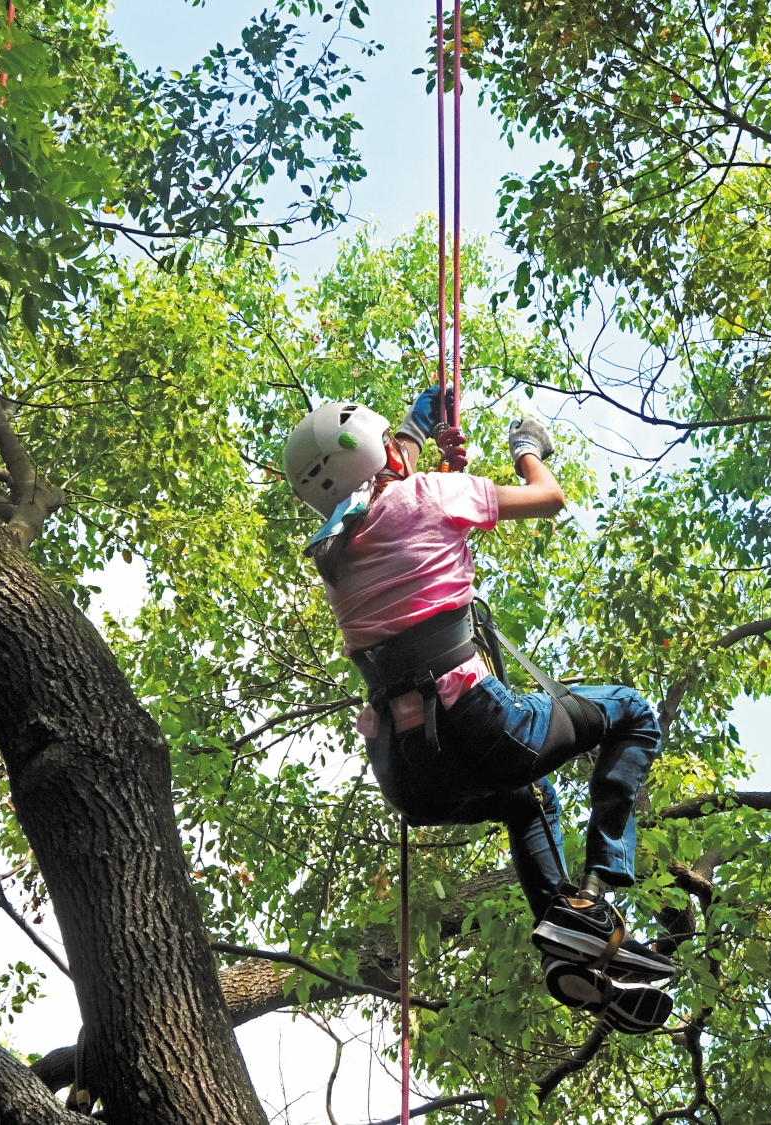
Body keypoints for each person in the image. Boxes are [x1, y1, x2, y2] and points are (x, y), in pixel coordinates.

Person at [283, 388, 675, 1033]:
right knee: (632, 713)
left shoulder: (334, 554)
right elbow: (549, 497)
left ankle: (568, 940)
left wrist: (417, 427)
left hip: (410, 780)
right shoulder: (431, 495)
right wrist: (527, 448)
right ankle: (595, 897)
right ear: (385, 458)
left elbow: (382, 478)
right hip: (481, 727)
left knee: (529, 801)